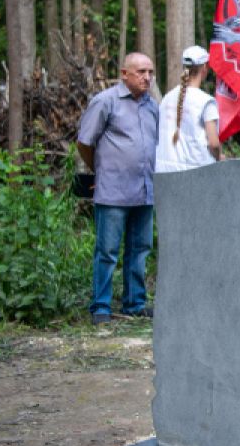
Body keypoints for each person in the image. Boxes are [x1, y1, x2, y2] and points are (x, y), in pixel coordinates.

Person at [77, 52, 159, 325]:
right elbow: (85, 141)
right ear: (124, 73)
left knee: (140, 249)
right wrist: (101, 171)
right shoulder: (106, 102)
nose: (147, 77)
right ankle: (100, 307)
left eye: (150, 72)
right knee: (107, 250)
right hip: (113, 191)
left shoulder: (151, 106)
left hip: (144, 190)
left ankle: (134, 303)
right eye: (141, 72)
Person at [155, 45, 221, 173]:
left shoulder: (167, 98)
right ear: (205, 68)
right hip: (196, 171)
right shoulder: (206, 102)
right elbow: (214, 143)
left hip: (164, 171)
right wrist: (219, 157)